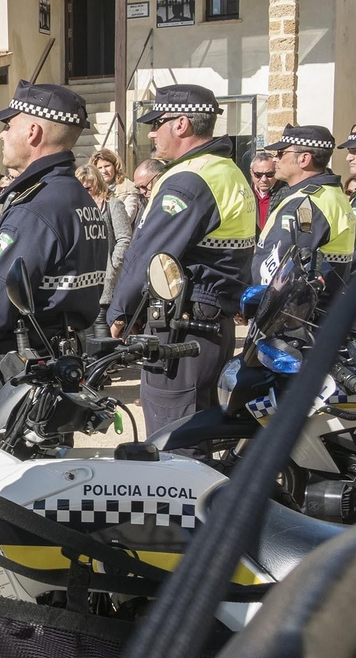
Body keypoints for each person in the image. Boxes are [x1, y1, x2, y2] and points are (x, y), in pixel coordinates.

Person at [0, 84, 108, 413]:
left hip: (25, 370)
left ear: (33, 131)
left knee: (14, 461)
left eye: (9, 126)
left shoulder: (38, 205)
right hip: (61, 358)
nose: (3, 135)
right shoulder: (74, 195)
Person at [108, 83, 254, 436]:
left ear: (182, 124)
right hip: (212, 323)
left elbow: (149, 253)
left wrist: (120, 312)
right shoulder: (227, 170)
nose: (153, 132)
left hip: (182, 326)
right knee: (198, 427)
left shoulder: (188, 179)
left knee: (173, 438)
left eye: (158, 122)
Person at [251, 125, 353, 302]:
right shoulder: (332, 194)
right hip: (319, 312)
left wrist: (253, 303)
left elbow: (278, 269)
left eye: (281, 153)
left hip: (294, 319)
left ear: (304, 159)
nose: (276, 160)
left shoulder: (306, 203)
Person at [77, 160, 131, 339]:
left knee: (100, 322)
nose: (85, 191)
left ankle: (102, 364)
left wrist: (113, 267)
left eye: (89, 187)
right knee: (83, 326)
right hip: (82, 276)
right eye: (81, 187)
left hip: (105, 274)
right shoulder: (77, 207)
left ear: (98, 183)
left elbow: (124, 239)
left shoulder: (112, 204)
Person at [93, 149, 139, 223]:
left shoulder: (128, 189)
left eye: (107, 166)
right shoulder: (91, 189)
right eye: (100, 168)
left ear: (115, 167)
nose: (104, 171)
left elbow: (126, 219)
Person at [130, 156, 166, 223]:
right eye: (138, 188)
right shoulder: (144, 204)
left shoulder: (170, 202)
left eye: (144, 186)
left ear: (159, 177)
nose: (142, 192)